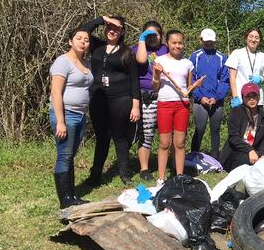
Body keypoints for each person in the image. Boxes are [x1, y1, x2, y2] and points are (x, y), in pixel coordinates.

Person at [81, 15, 140, 186]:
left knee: (120, 137)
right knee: (102, 137)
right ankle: (96, 174)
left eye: (117, 28)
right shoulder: (97, 47)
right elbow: (80, 32)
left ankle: (124, 172)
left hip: (121, 100)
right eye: (109, 27)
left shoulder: (127, 52)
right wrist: (100, 19)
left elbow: (134, 80)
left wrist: (135, 105)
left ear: (122, 32)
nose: (112, 31)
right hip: (99, 99)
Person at [152, 30, 205, 186]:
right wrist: (156, 74)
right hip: (165, 104)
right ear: (167, 43)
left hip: (182, 105)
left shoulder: (188, 63)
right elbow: (155, 87)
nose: (177, 46)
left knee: (180, 143)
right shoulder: (159, 61)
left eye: (180, 43)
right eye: (174, 42)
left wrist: (195, 86)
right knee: (164, 143)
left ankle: (180, 176)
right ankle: (161, 178)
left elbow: (187, 88)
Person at [49, 27, 94, 208]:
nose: (83, 42)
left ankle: (72, 195)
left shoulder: (87, 63)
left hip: (80, 114)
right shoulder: (63, 62)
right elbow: (56, 93)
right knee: (64, 156)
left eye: (86, 40)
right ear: (70, 41)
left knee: (70, 156)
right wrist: (60, 121)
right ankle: (65, 201)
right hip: (66, 115)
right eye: (79, 38)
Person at [133, 21, 167, 181]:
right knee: (146, 133)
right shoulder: (138, 49)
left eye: (156, 34)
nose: (152, 38)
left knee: (168, 132)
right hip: (146, 96)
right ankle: (144, 169)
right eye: (148, 34)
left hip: (165, 95)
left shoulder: (166, 49)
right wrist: (142, 40)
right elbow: (141, 60)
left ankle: (171, 164)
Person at [189, 28, 230, 158]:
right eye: (206, 41)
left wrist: (217, 97)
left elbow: (225, 79)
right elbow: (191, 78)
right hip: (199, 99)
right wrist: (199, 97)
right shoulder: (195, 56)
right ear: (201, 40)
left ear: (215, 41)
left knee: (215, 129)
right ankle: (194, 155)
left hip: (216, 99)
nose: (208, 44)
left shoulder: (222, 58)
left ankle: (215, 157)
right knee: (200, 128)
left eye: (211, 41)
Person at [219, 83, 264, 171]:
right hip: (235, 152)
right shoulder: (236, 113)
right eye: (248, 96)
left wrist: (263, 155)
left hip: (256, 152)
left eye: (254, 96)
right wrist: (250, 150)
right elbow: (234, 138)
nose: (251, 99)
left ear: (259, 97)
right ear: (243, 98)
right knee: (245, 161)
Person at [225, 28, 264, 108]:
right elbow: (232, 77)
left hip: (257, 100)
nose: (253, 39)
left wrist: (261, 79)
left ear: (260, 40)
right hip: (241, 98)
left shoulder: (263, 56)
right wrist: (235, 97)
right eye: (251, 36)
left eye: (256, 37)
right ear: (246, 38)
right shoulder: (237, 53)